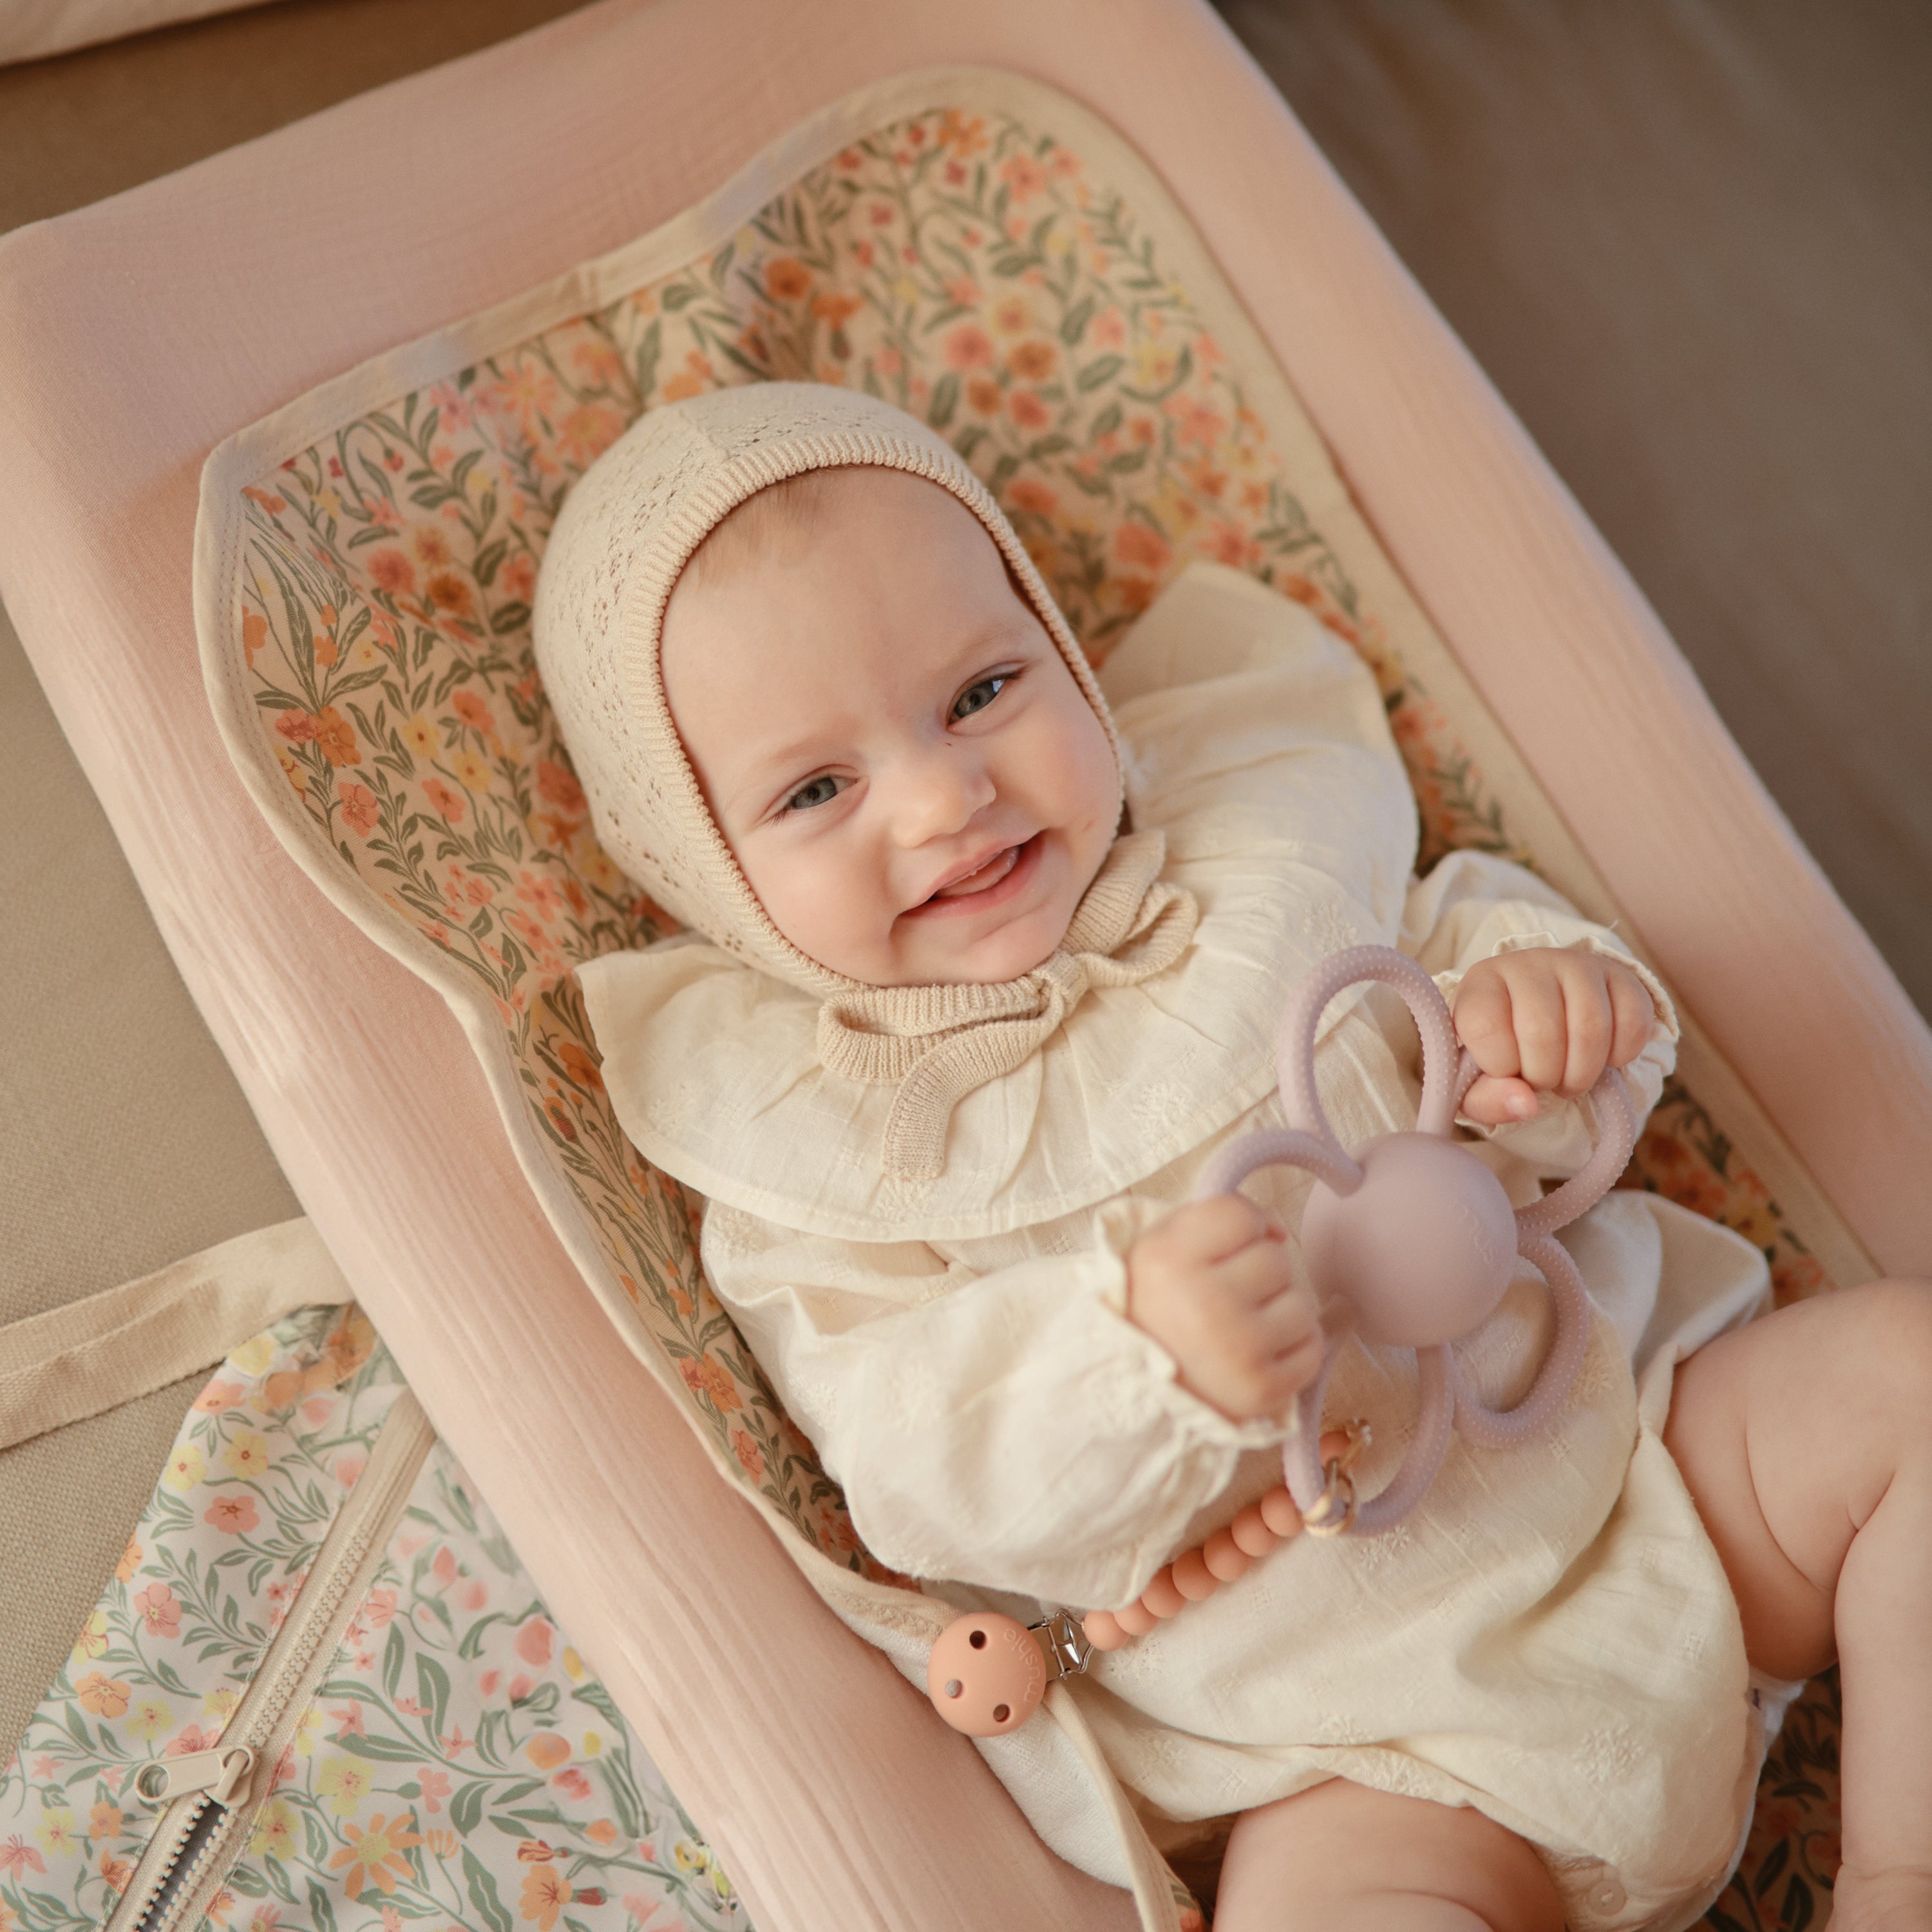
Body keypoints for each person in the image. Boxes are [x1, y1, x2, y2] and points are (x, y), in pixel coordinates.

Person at [532, 383, 1932, 1932]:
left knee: (1910, 1379)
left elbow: (1456, 951)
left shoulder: (1258, 846)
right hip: (1350, 1745)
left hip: (1646, 1473)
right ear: (705, 871)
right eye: (816, 790)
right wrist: (1141, 1356)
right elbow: (920, 1463)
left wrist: (1547, 1015)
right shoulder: (813, 1158)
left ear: (1065, 650)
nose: (945, 797)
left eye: (984, 691)